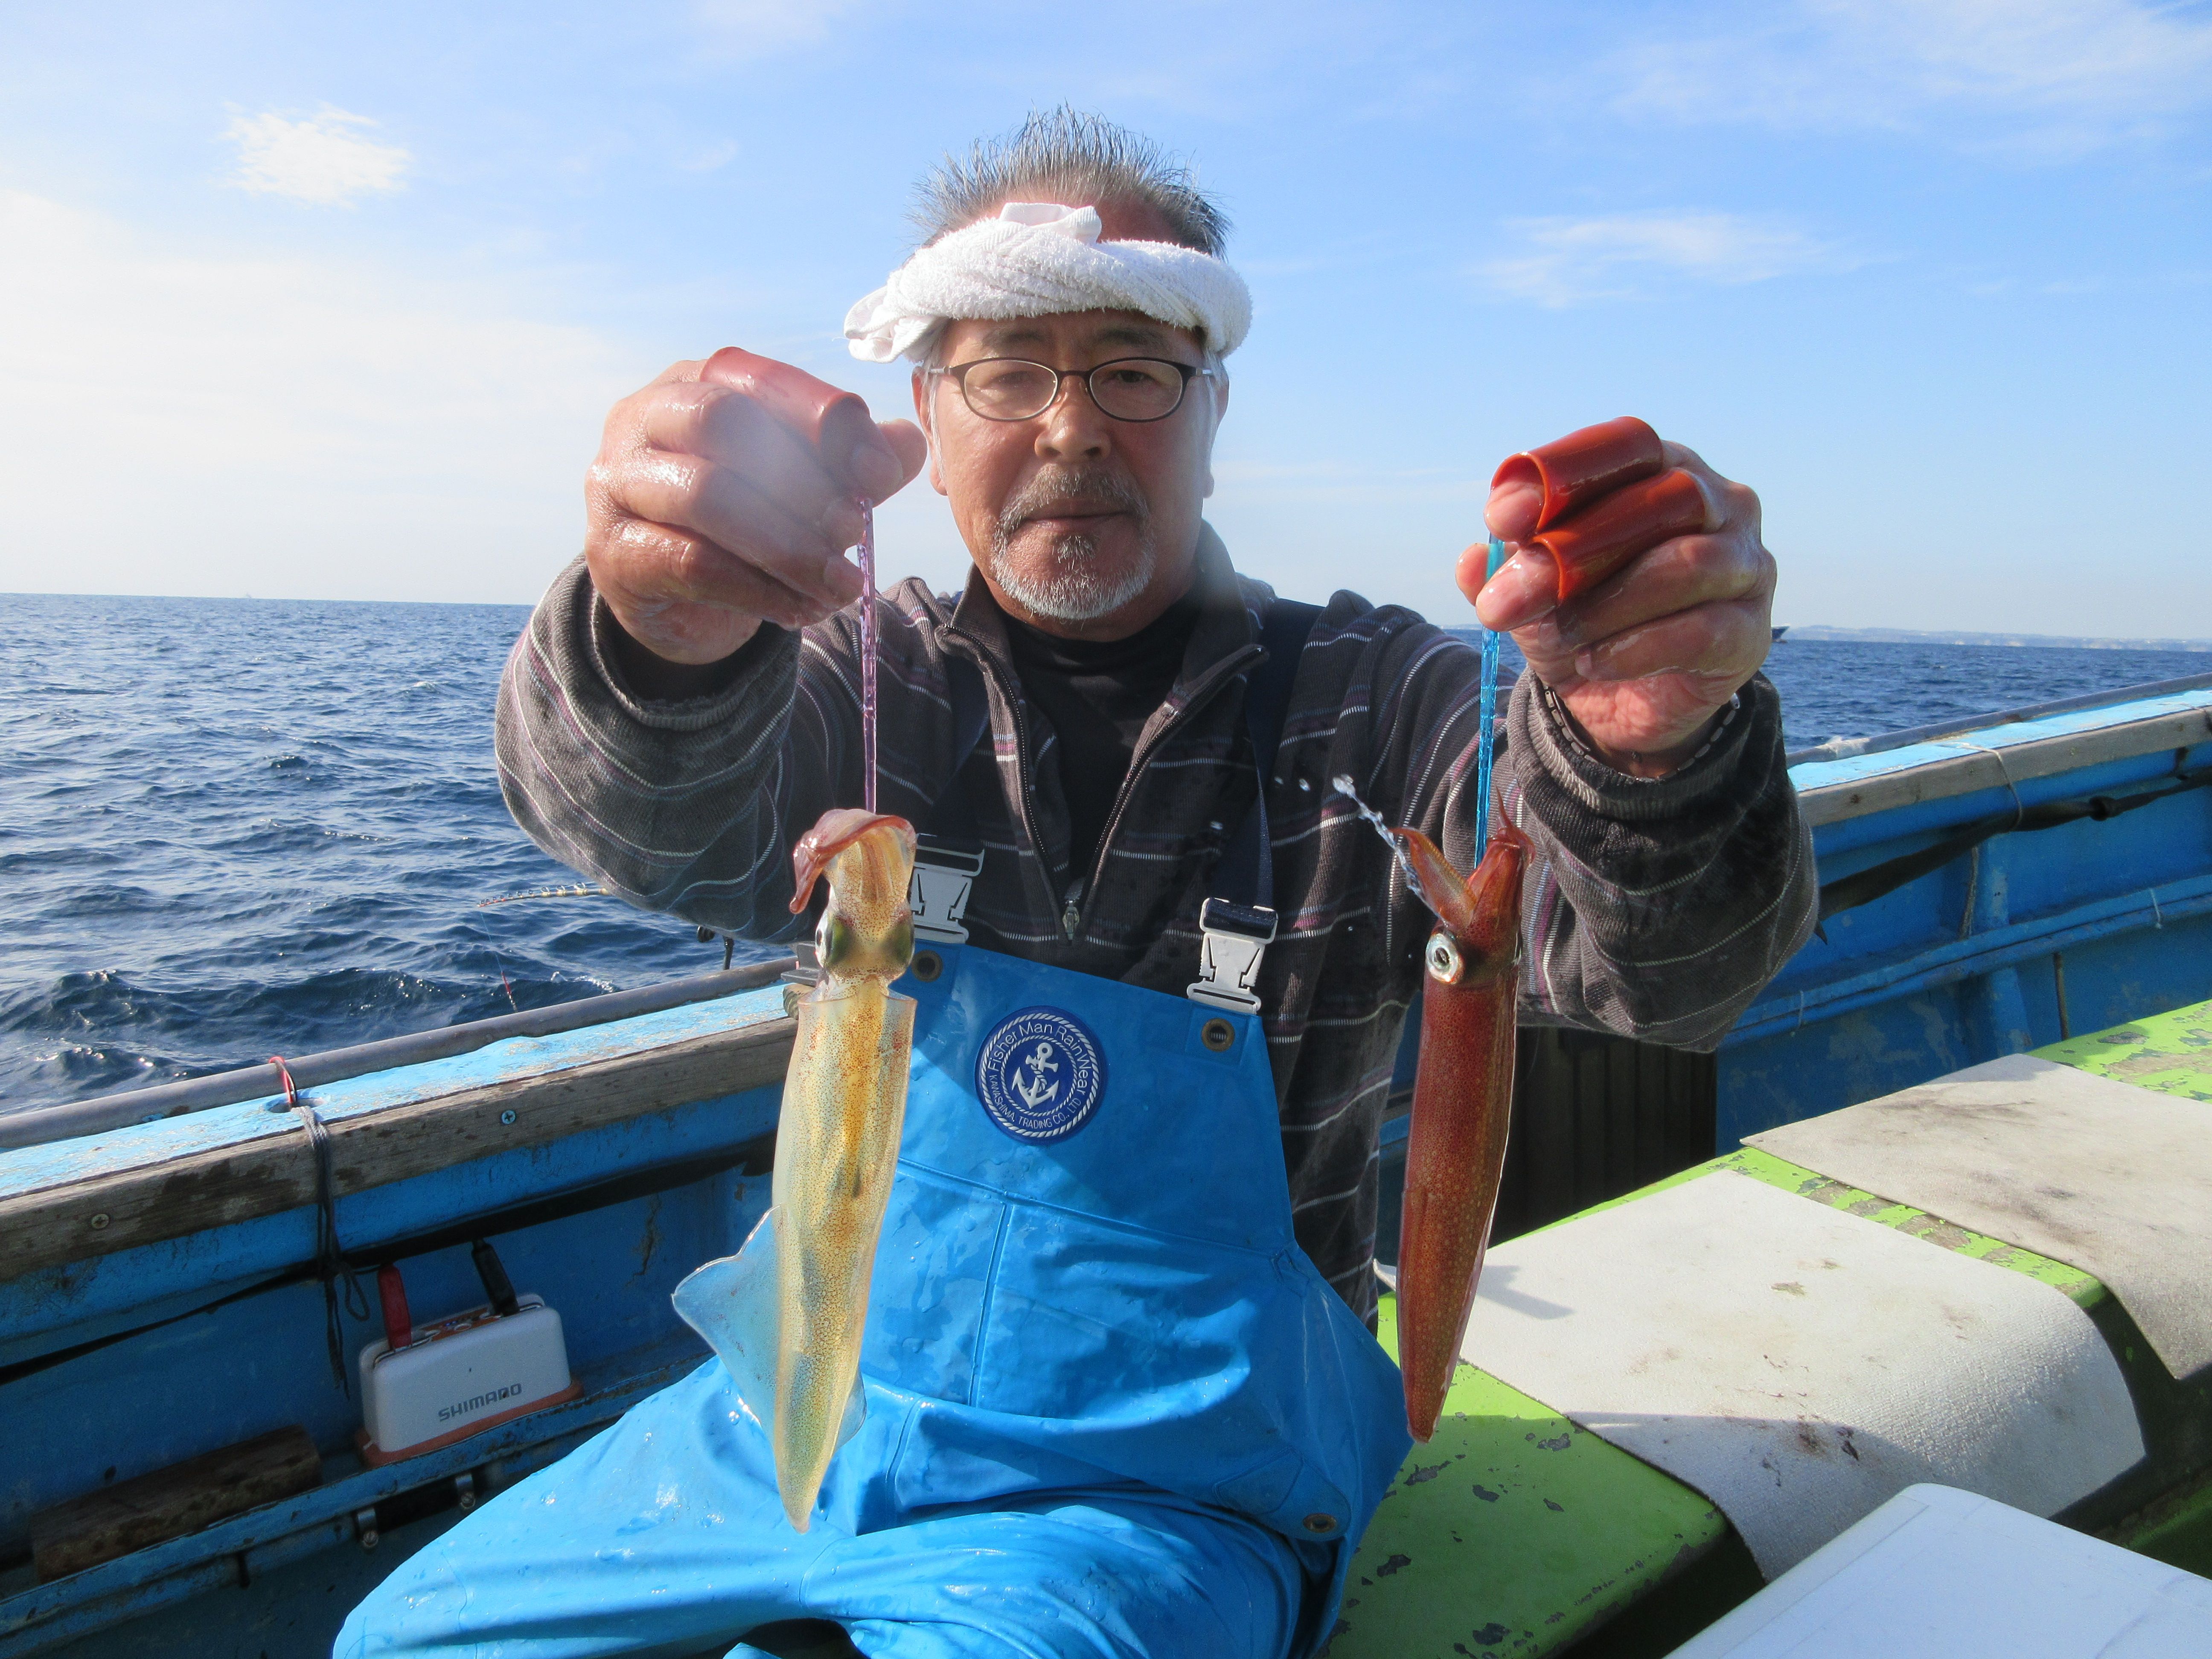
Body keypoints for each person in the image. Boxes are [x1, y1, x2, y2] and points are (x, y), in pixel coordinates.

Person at [343, 111, 1813, 1659]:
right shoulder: (854, 681)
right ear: (927, 411)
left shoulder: (1380, 700)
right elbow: (634, 822)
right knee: (398, 1642)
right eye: (1007, 371)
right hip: (808, 1404)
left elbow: (1673, 970)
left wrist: (1648, 755)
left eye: (1133, 369)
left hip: (1182, 1479)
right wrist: (661, 636)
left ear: (1213, 407)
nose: (1072, 429)